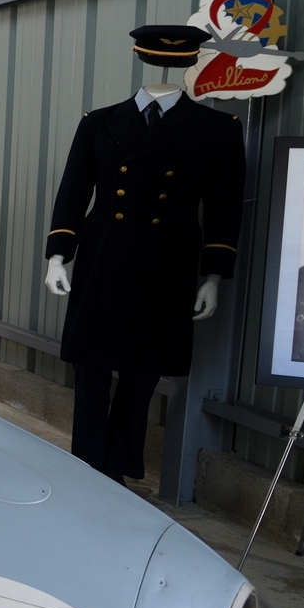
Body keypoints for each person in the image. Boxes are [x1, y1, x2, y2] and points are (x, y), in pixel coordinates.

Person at [43, 25, 244, 486]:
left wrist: (213, 275)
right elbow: (73, 192)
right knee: (91, 369)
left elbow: (224, 208)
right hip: (103, 258)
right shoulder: (99, 122)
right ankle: (86, 466)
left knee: (143, 372)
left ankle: (121, 466)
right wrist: (58, 255)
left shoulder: (217, 129)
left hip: (167, 263)